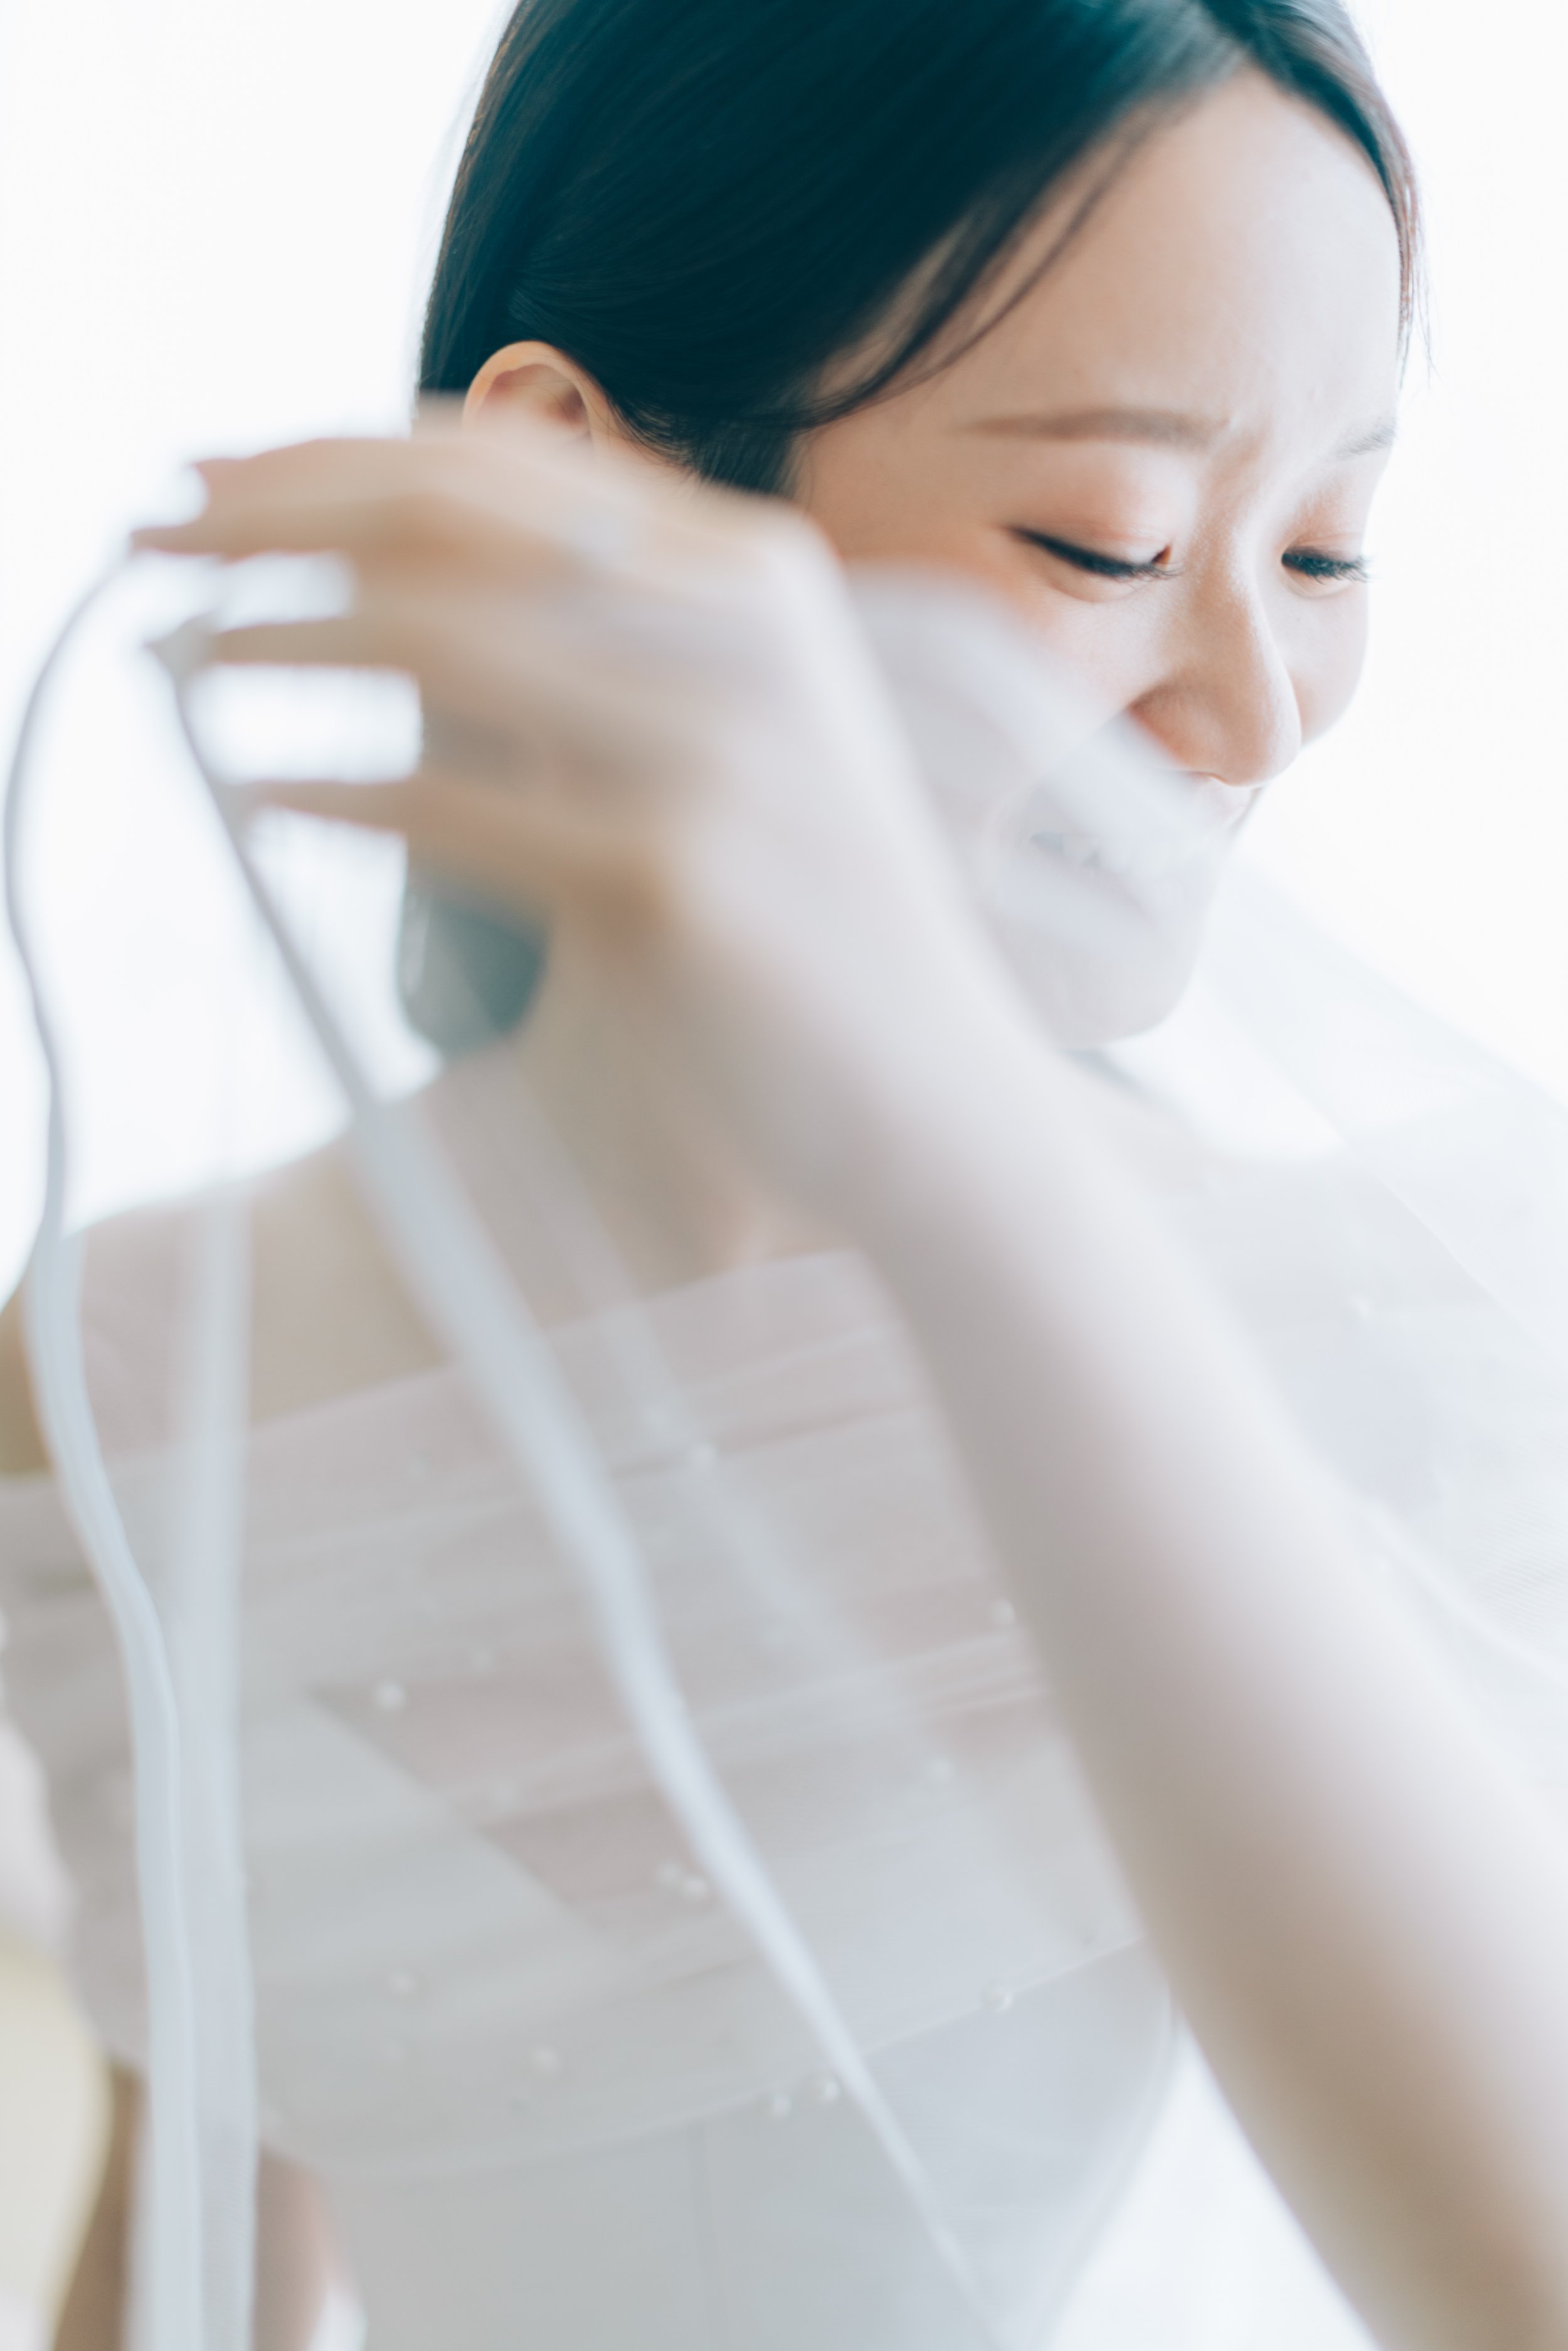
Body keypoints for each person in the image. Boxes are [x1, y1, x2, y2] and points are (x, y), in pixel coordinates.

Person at [8, 1, 1568, 2345]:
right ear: (569, 481)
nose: (1254, 711)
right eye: (1108, 539)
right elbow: (201, 2229)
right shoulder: (123, 1373)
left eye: (1327, 549)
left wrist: (947, 1137)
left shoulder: (1356, 1343)